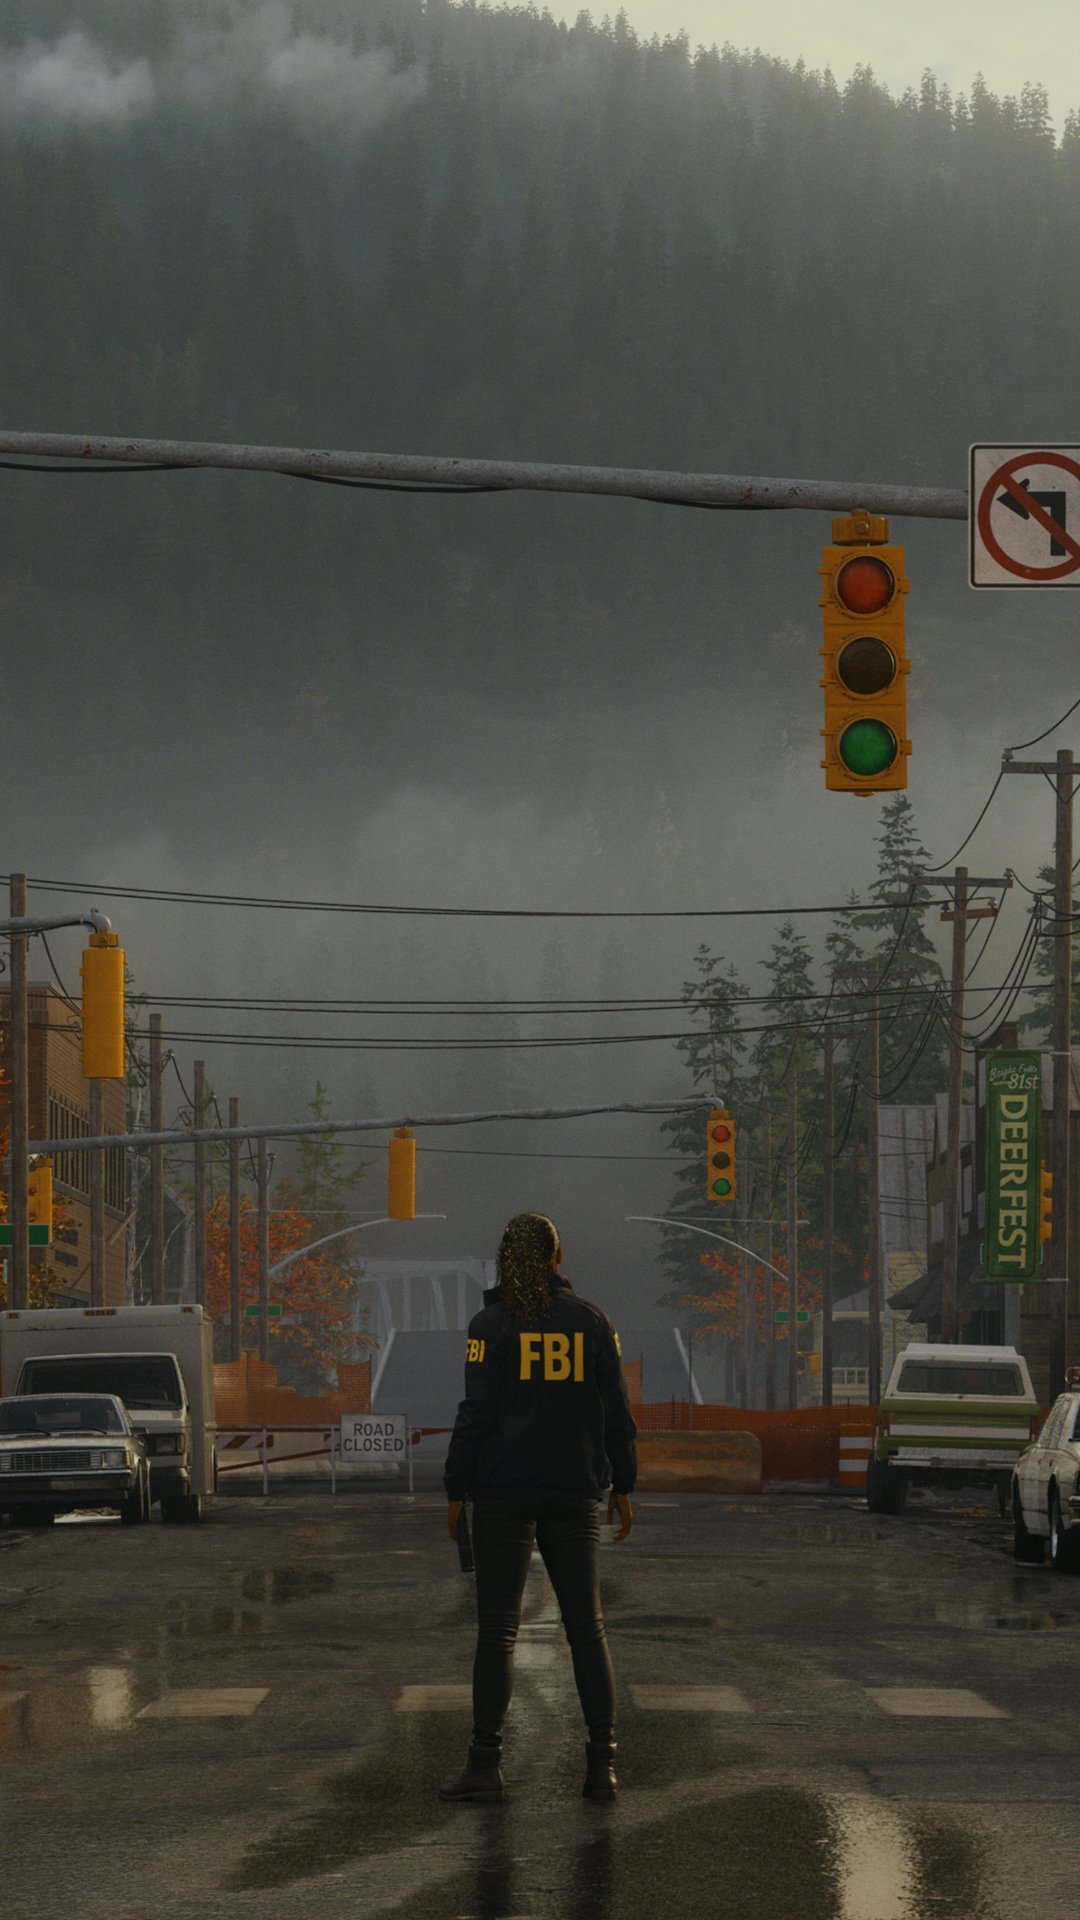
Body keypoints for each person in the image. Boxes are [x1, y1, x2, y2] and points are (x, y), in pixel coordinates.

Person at [440, 1211, 637, 1805]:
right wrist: (622, 1483)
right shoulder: (593, 1322)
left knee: (497, 1631)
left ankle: (484, 1762)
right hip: (575, 1491)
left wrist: (455, 1489)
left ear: (505, 1260)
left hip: (502, 1492)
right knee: (587, 1628)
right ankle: (601, 1765)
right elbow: (616, 1411)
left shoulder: (489, 1325)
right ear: (557, 1258)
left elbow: (475, 1414)